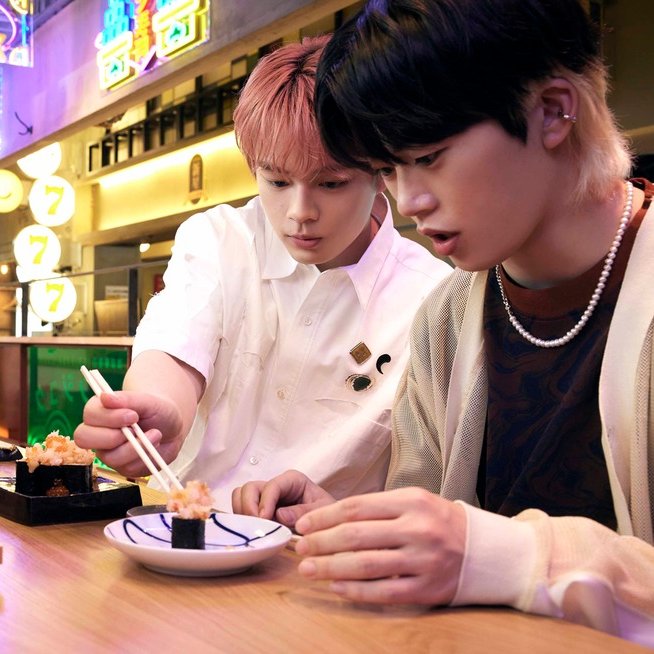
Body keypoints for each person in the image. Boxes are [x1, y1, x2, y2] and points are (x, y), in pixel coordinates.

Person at [231, 0, 654, 644]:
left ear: (552, 111)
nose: (409, 201)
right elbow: (445, 527)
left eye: (429, 157)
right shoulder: (446, 319)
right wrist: (355, 527)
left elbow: (479, 551)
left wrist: (499, 555)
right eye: (388, 169)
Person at [73, 36, 451, 509]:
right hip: (182, 525)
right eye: (276, 180)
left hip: (309, 548)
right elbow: (175, 348)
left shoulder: (430, 300)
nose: (299, 212)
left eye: (331, 183)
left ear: (381, 173)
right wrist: (159, 416)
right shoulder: (221, 239)